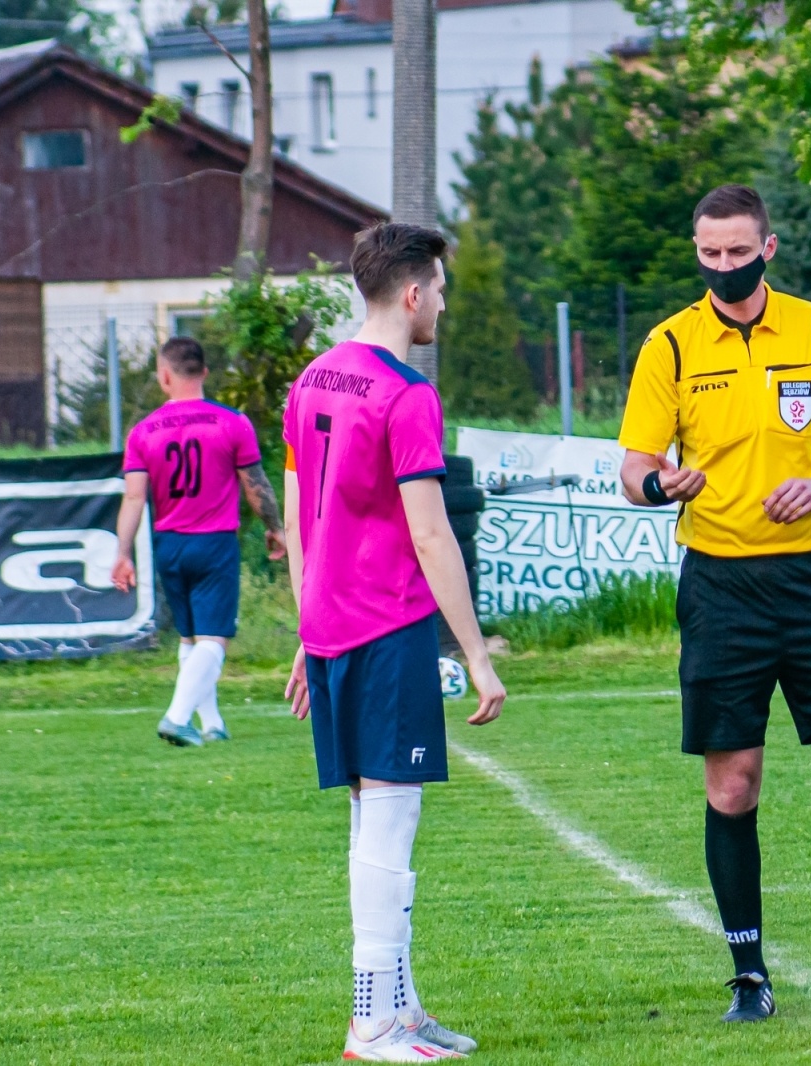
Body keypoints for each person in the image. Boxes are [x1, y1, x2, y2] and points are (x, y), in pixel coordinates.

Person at [617, 184, 811, 1023]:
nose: (723, 265)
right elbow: (634, 469)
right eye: (708, 252)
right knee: (734, 786)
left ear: (768, 248)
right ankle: (749, 977)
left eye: (736, 251)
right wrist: (662, 484)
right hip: (720, 589)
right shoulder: (670, 345)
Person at [281, 222, 507, 1062]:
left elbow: (300, 512)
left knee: (372, 813)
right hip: (386, 625)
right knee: (390, 816)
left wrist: (307, 622)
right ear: (412, 293)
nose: (442, 304)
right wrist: (475, 654)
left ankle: (399, 1009)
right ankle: (371, 1020)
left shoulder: (313, 378)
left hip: (334, 625)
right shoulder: (407, 394)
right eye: (440, 290)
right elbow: (432, 533)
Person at [112, 337, 285, 747]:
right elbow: (255, 486)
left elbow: (134, 498)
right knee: (214, 639)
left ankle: (211, 724)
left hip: (169, 545)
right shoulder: (232, 423)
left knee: (191, 637)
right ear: (204, 372)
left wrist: (122, 553)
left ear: (164, 376)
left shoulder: (143, 431)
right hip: (213, 544)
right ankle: (176, 718)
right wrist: (275, 527)